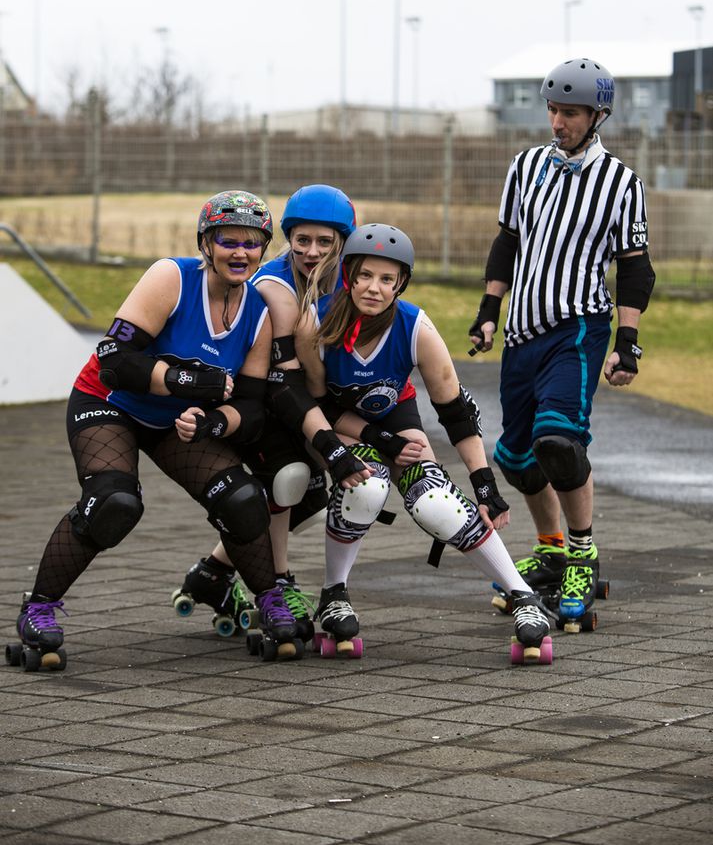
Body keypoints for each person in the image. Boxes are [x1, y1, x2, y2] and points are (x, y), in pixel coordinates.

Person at [10, 189, 302, 670]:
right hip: (110, 404)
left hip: (173, 422)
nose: (241, 253)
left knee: (243, 498)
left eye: (253, 244)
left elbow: (249, 408)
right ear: (206, 242)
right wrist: (185, 380)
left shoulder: (258, 313)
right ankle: (38, 609)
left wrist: (213, 420)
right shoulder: (173, 277)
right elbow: (113, 361)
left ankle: (268, 598)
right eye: (229, 240)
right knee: (114, 503)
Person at [294, 222, 554, 659]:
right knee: (368, 486)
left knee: (435, 501)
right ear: (349, 275)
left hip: (396, 417)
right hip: (336, 426)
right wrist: (379, 439)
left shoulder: (416, 326)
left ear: (401, 284)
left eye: (387, 279)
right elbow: (315, 405)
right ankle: (333, 593)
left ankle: (524, 597)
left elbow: (456, 414)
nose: (373, 288)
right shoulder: (315, 321)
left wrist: (485, 485)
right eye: (364, 276)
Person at [468, 57, 656, 629]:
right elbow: (507, 243)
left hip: (578, 328)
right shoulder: (525, 167)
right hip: (523, 329)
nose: (557, 122)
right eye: (552, 110)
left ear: (597, 115)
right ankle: (550, 549)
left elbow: (635, 268)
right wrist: (487, 312)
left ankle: (582, 554)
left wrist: (627, 340)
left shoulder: (621, 183)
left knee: (559, 444)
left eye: (569, 113)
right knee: (515, 458)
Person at [176, 184, 358, 643]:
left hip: (305, 400)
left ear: (343, 242)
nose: (312, 252)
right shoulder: (276, 286)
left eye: (325, 242)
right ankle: (278, 582)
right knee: (288, 478)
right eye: (302, 240)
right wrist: (326, 439)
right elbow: (290, 383)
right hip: (259, 399)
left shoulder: (352, 281)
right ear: (288, 239)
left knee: (309, 496)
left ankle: (213, 571)